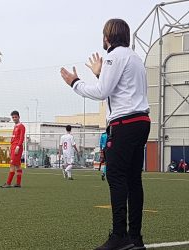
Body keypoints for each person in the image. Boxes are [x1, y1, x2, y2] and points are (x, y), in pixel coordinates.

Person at [60, 19, 151, 250]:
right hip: (141, 121)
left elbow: (103, 93)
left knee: (116, 177)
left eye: (103, 34)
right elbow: (122, 91)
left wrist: (75, 83)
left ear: (107, 36)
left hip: (125, 123)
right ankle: (135, 238)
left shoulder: (114, 55)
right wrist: (101, 74)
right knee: (133, 180)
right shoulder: (135, 58)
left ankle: (119, 236)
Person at [0, 110, 26, 188]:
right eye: (13, 117)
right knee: (17, 165)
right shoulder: (15, 126)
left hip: (17, 147)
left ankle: (8, 183)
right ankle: (18, 183)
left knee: (12, 165)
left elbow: (21, 138)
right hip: (13, 147)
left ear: (19, 117)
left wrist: (18, 146)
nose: (14, 118)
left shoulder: (21, 126)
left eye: (15, 117)